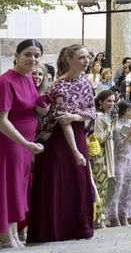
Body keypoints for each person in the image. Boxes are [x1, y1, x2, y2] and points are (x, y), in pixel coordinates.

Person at [28, 45, 97, 244]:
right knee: (58, 182)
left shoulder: (85, 81)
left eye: (87, 57)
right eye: (81, 57)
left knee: (79, 180)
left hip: (78, 132)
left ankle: (79, 228)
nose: (86, 61)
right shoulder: (58, 85)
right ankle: (53, 230)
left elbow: (91, 112)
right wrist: (75, 150)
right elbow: (62, 121)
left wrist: (75, 115)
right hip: (59, 139)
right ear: (69, 59)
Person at [0, 39, 46, 248]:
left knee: (18, 188)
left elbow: (28, 109)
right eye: (28, 54)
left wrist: (41, 110)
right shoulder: (6, 81)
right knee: (8, 187)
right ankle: (6, 236)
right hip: (10, 143)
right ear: (16, 55)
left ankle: (13, 233)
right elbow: (2, 121)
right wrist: (26, 144)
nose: (33, 59)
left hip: (26, 145)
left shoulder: (28, 78)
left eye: (36, 55)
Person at [106, 99, 131, 227]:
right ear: (126, 111)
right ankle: (114, 216)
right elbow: (121, 144)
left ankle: (125, 214)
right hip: (119, 159)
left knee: (129, 189)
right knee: (117, 188)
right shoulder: (117, 125)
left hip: (130, 158)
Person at [90, 90, 116, 229]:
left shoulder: (105, 116)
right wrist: (110, 128)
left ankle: (100, 217)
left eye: (113, 101)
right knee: (100, 188)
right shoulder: (99, 117)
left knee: (104, 188)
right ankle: (98, 219)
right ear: (100, 102)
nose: (111, 104)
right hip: (99, 157)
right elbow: (99, 137)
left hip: (106, 155)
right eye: (108, 101)